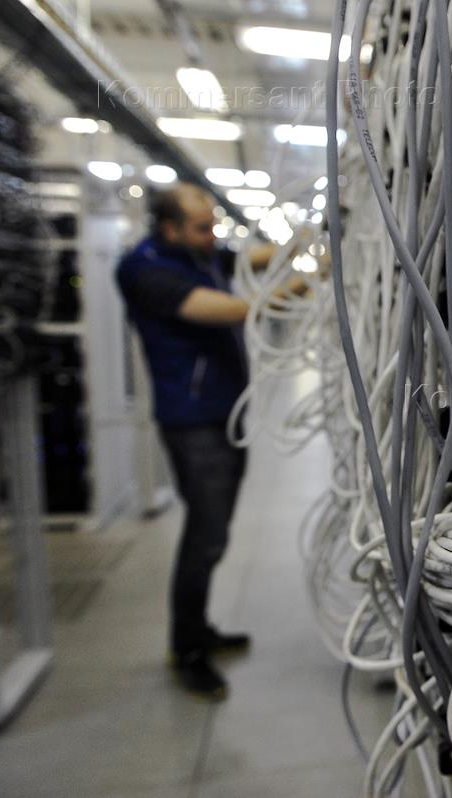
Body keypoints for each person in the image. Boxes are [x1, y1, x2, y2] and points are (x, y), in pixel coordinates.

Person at [116, 183, 306, 700]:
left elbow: (254, 258)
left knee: (212, 531)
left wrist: (308, 240)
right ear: (170, 227)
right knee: (207, 535)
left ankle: (197, 630)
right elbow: (231, 310)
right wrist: (307, 282)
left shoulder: (198, 253)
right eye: (203, 227)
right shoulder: (146, 269)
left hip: (223, 412)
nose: (213, 235)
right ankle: (188, 649)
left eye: (214, 225)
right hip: (193, 420)